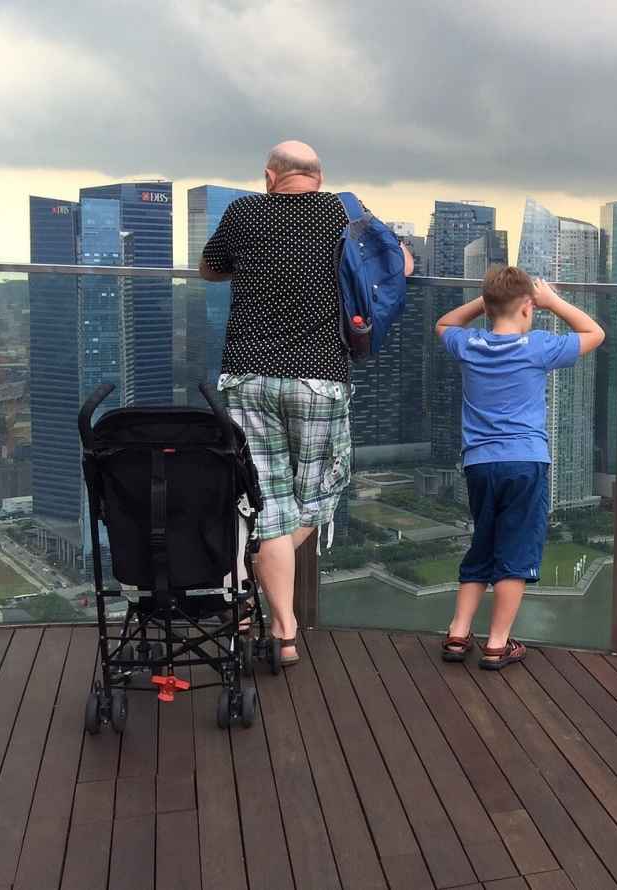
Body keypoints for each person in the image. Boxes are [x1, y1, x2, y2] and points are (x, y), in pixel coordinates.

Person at [199, 140, 412, 666]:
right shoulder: (345, 209)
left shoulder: (244, 210)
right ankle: (278, 619)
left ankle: (267, 611)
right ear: (318, 175)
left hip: (246, 376)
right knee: (319, 494)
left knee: (263, 501)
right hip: (317, 378)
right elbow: (399, 261)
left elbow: (210, 266)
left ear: (271, 175)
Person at [435, 266, 604, 669]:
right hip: (526, 462)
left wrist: (487, 300)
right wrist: (552, 301)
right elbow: (593, 333)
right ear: (528, 307)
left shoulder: (469, 343)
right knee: (515, 552)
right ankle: (497, 643)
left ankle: (458, 633)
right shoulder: (537, 347)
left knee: (484, 542)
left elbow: (443, 323)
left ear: (489, 307)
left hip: (479, 464)